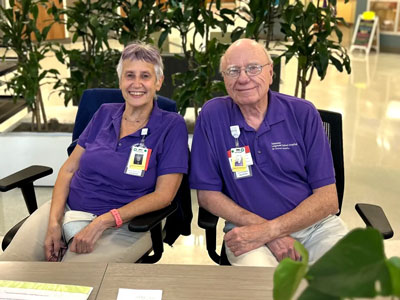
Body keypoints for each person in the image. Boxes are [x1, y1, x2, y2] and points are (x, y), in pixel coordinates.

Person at [0, 42, 188, 263]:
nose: (136, 84)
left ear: (158, 82)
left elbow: (163, 196)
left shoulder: (171, 126)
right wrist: (54, 223)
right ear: (120, 81)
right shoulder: (104, 113)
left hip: (125, 224)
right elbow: (69, 169)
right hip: (69, 208)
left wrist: (103, 222)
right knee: (11, 268)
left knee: (74, 284)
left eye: (145, 76)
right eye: (129, 75)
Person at [189, 39, 348, 267]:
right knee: (263, 287)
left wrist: (270, 231)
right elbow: (207, 196)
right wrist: (263, 234)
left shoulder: (302, 113)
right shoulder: (213, 116)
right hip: (246, 228)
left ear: (271, 72)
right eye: (233, 71)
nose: (243, 78)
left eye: (253, 68)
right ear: (224, 79)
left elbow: (328, 199)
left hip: (315, 228)